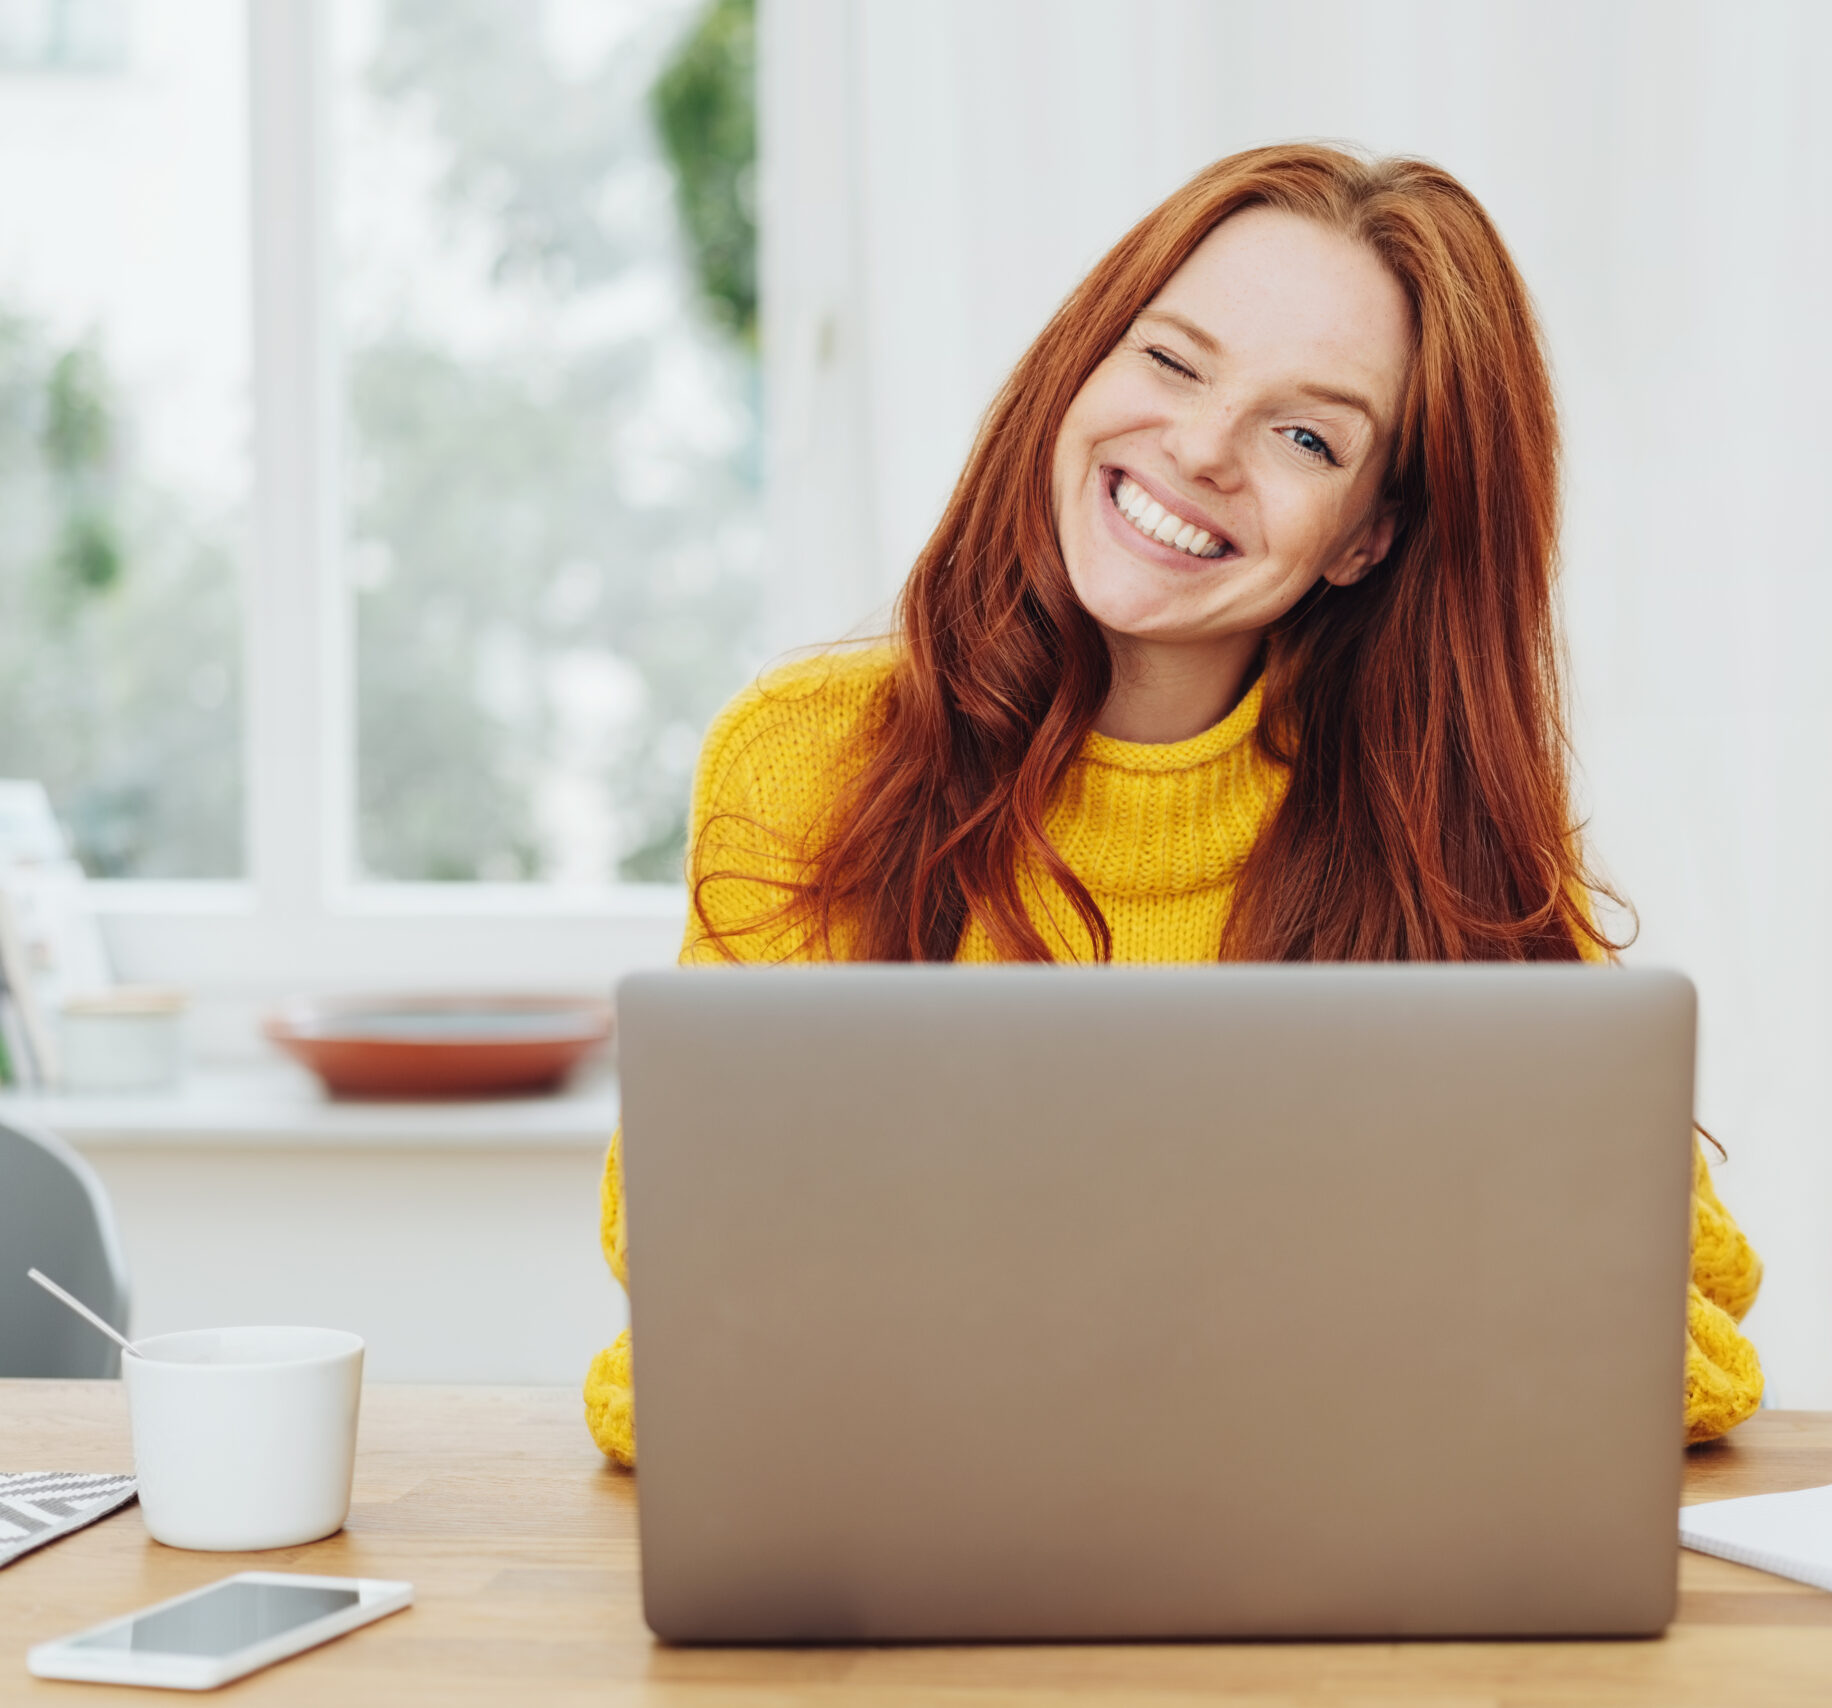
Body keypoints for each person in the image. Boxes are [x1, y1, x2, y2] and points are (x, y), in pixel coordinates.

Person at [583, 143, 1761, 1468]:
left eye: (1306, 436)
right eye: (1172, 361)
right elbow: (692, 1312)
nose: (1199, 449)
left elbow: (1687, 1344)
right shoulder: (811, 760)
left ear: (1369, 535)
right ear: (1083, 365)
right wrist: (1327, 1308)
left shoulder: (1437, 842)